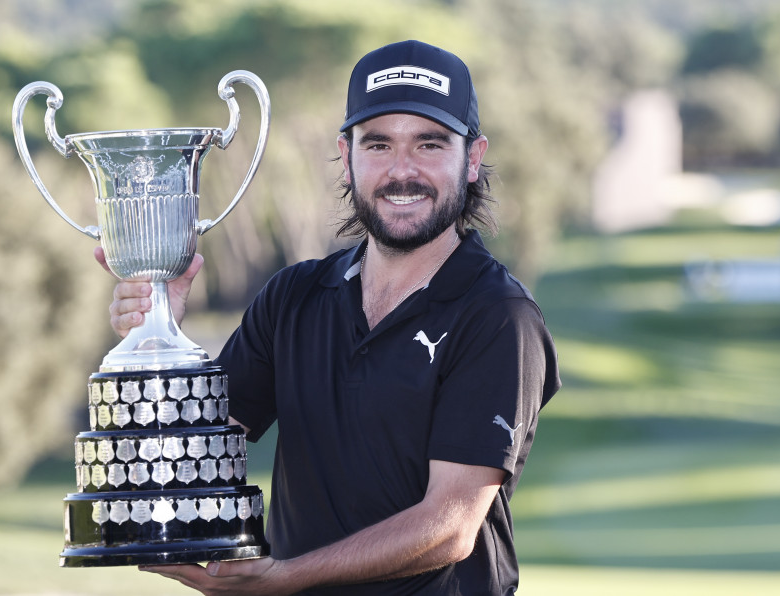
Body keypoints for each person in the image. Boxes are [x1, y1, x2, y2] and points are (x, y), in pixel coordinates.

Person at [99, 40, 560, 596]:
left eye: (430, 144)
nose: (402, 171)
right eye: (379, 144)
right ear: (346, 155)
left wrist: (285, 579)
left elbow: (451, 529)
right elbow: (196, 455)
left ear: (473, 158)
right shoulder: (294, 296)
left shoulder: (498, 316)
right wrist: (157, 339)